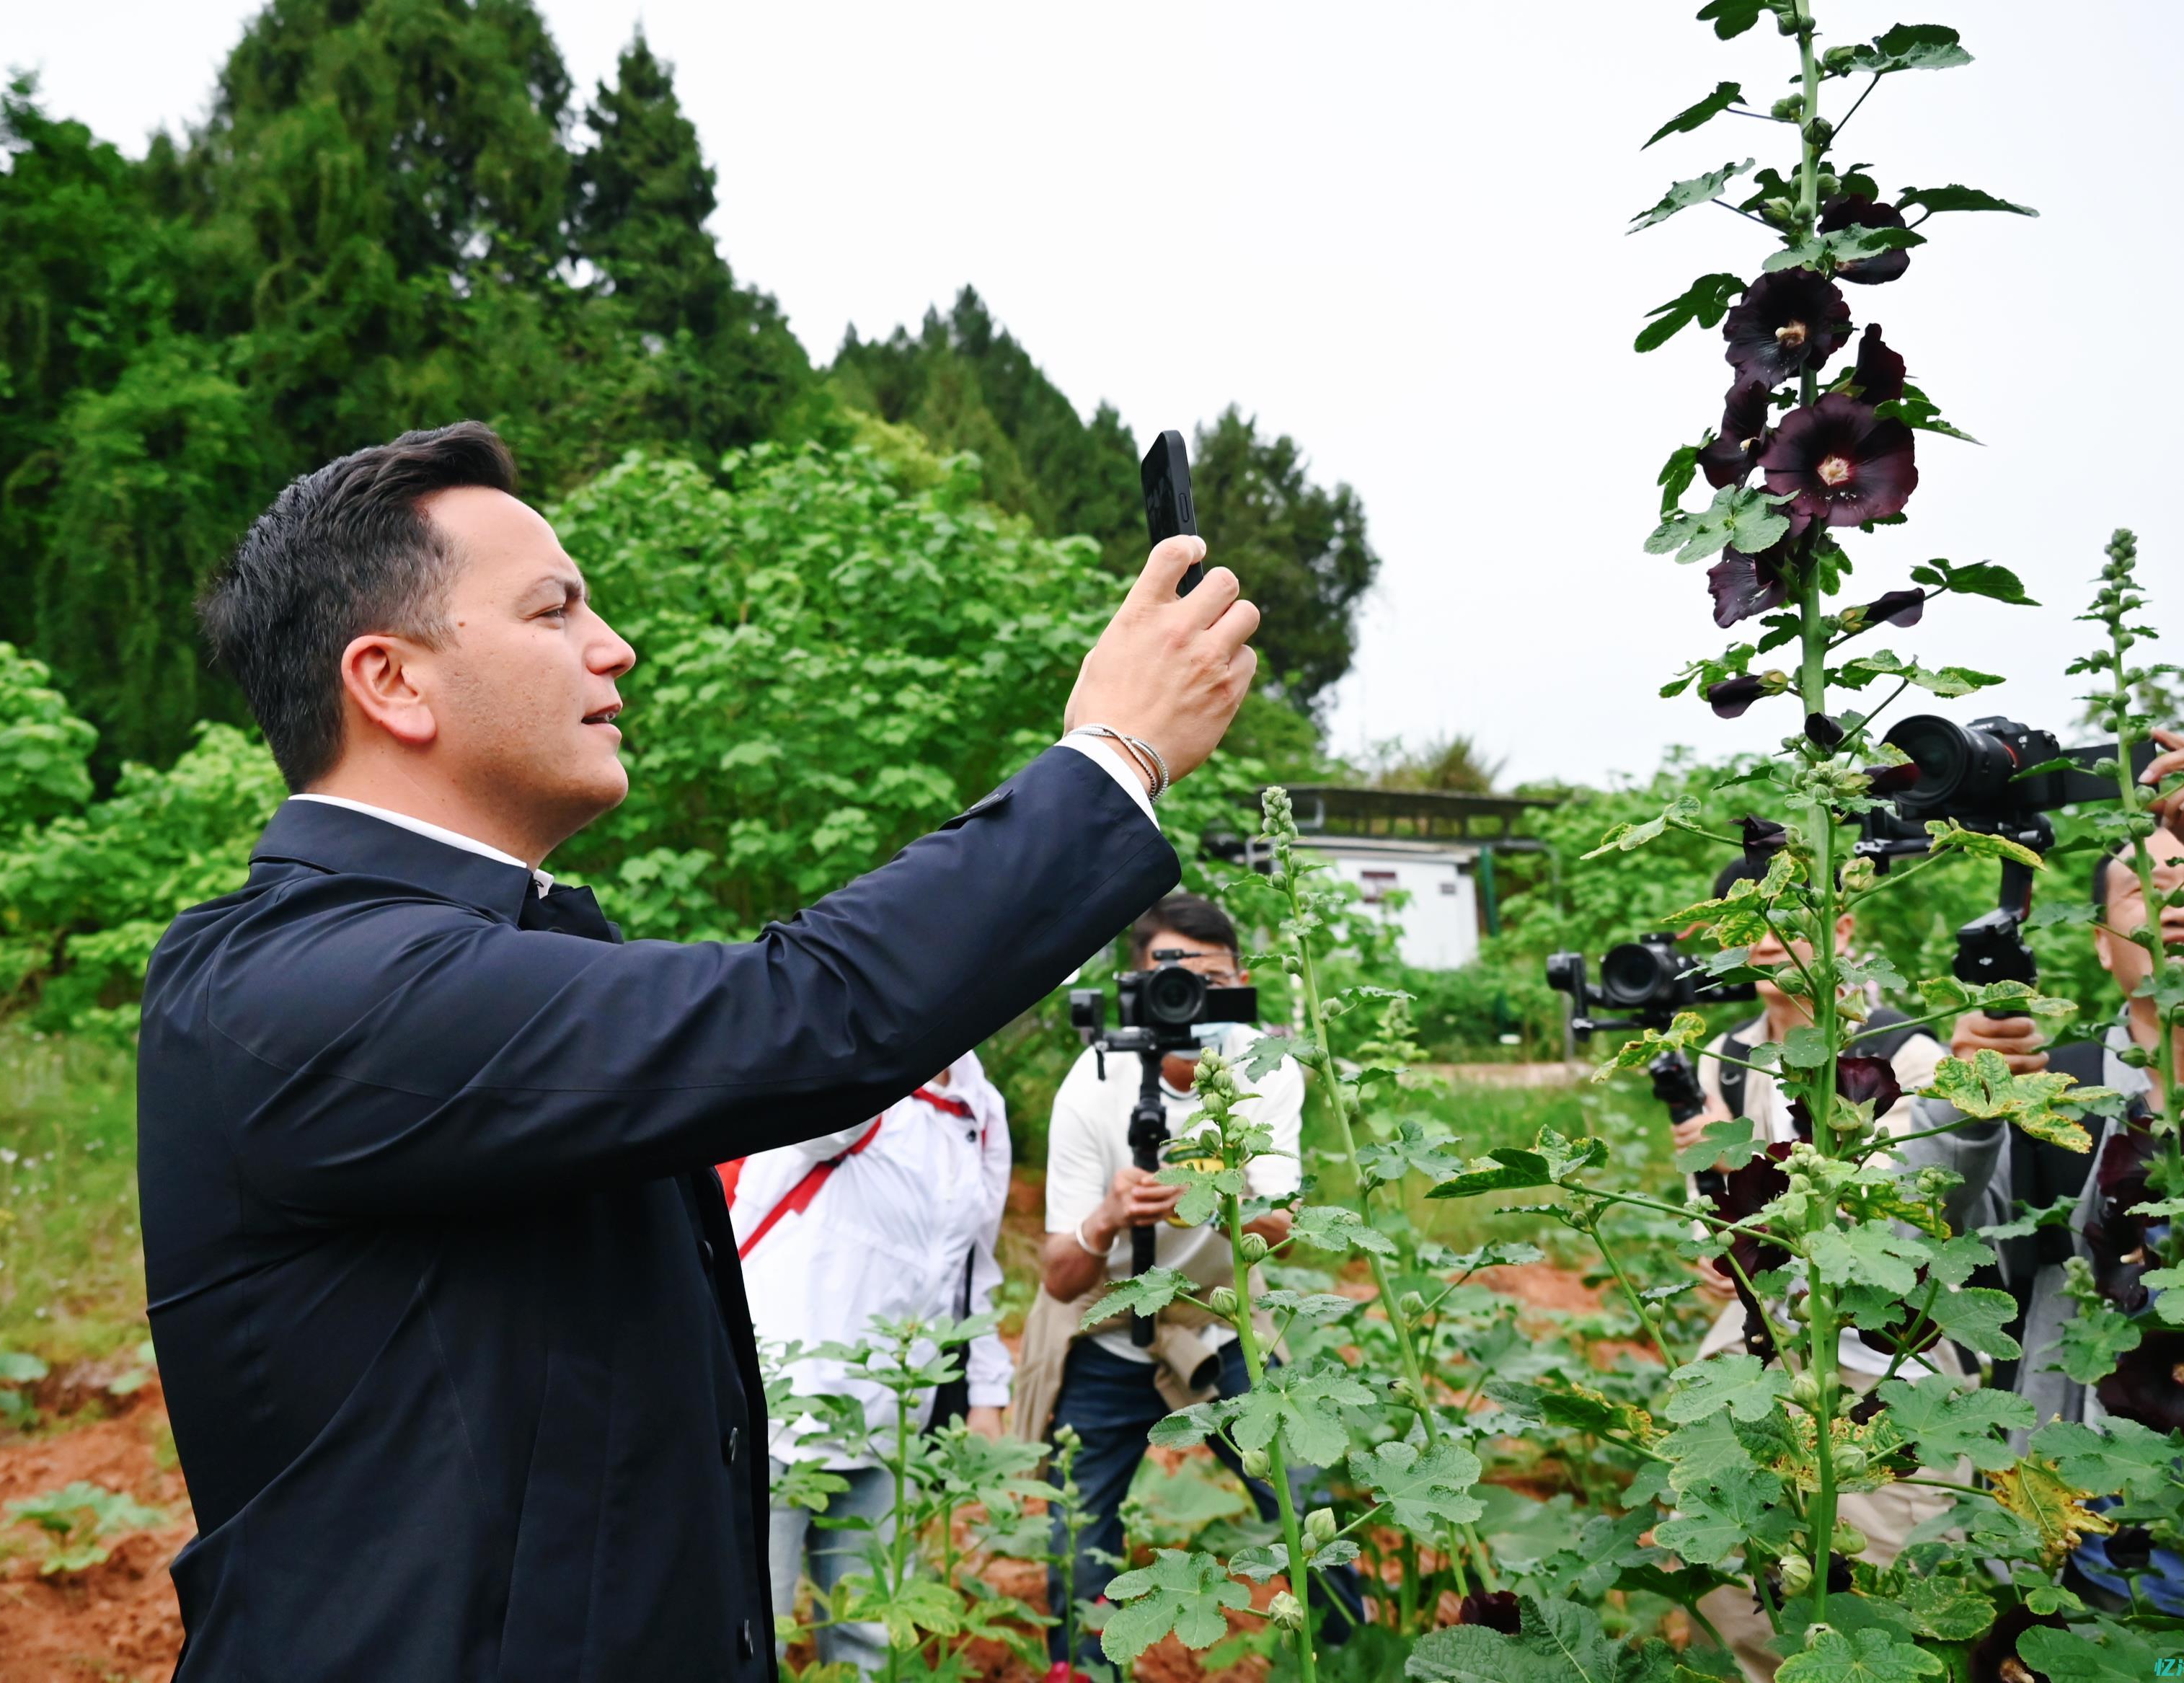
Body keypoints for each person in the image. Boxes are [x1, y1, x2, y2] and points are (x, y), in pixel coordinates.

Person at [136, 421, 1258, 1682]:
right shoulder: (292, 981)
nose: (614, 646)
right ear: (392, 681)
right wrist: (1113, 756)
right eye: (555, 608)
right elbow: (802, 1014)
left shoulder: (480, 952)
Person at [1948, 734, 2184, 1616]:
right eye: (2147, 887)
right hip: (2096, 1573)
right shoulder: (2046, 1088)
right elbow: (1928, 1252)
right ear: (2103, 946)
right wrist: (1963, 1108)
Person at [1016, 892, 1360, 1671]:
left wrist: (1210, 1187)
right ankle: (1084, 1667)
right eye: (1168, 978)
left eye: (1206, 979)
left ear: (1238, 980)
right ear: (1136, 985)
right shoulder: (1093, 1080)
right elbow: (1060, 1278)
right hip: (1108, 1328)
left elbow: (1283, 1226)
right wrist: (1107, 1217)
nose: (1189, 1000)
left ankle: (1346, 1660)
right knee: (1078, 1541)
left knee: (1308, 1511)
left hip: (1218, 1316)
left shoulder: (1262, 1070)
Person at [1672, 856, 1994, 1681]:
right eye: (1749, 931)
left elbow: (1924, 1217)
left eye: (1789, 921)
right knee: (1738, 1570)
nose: (1768, 945)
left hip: (1884, 1345)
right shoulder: (1727, 1054)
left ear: (1840, 928)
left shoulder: (1908, 1053)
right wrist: (1718, 1227)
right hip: (1766, 1335)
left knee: (1881, 1564)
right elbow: (1721, 1213)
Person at [731, 1053, 1012, 1672]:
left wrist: (987, 1392)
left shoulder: (981, 1111)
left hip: (889, 1423)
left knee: (868, 1639)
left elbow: (974, 1268)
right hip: (775, 1408)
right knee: (751, 1636)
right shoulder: (863, 1065)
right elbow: (817, 1108)